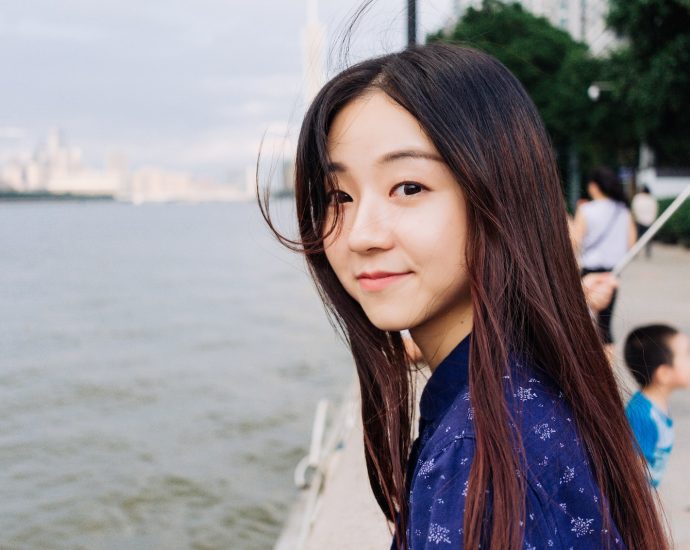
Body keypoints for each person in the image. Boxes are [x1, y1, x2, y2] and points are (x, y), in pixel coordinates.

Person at [261, 44, 665, 549]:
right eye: (339, 196)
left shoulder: (483, 458)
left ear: (499, 195)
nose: (361, 233)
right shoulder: (519, 393)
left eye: (408, 187)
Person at [572, 168, 637, 351]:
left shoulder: (586, 209)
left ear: (594, 186)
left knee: (584, 323)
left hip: (589, 272)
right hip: (613, 273)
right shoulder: (623, 210)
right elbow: (631, 244)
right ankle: (608, 373)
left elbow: (575, 241)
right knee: (605, 326)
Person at [624, 324, 690, 487]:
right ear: (664, 374)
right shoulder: (641, 415)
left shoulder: (657, 405)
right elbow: (630, 473)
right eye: (687, 354)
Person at [631, 185, 658, 258]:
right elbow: (655, 209)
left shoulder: (638, 197)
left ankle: (635, 252)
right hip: (650, 220)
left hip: (639, 220)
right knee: (648, 238)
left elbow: (634, 208)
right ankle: (648, 253)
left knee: (637, 237)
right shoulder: (651, 198)